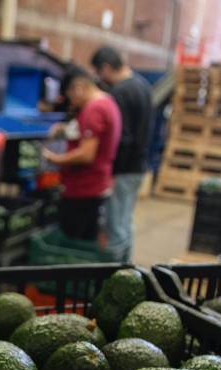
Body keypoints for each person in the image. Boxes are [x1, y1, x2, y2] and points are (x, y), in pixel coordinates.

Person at [43, 67, 122, 244]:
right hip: (96, 185)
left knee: (75, 244)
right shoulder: (108, 102)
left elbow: (86, 155)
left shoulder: (93, 109)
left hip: (83, 189)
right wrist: (65, 128)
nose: (72, 103)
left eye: (70, 96)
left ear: (78, 88)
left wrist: (53, 158)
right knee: (87, 239)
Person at [91, 46, 153, 262]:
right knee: (125, 222)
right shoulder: (142, 85)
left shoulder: (121, 92)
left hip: (124, 170)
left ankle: (117, 279)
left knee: (116, 225)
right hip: (139, 167)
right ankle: (127, 270)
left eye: (100, 73)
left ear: (106, 68)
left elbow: (123, 138)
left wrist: (112, 172)